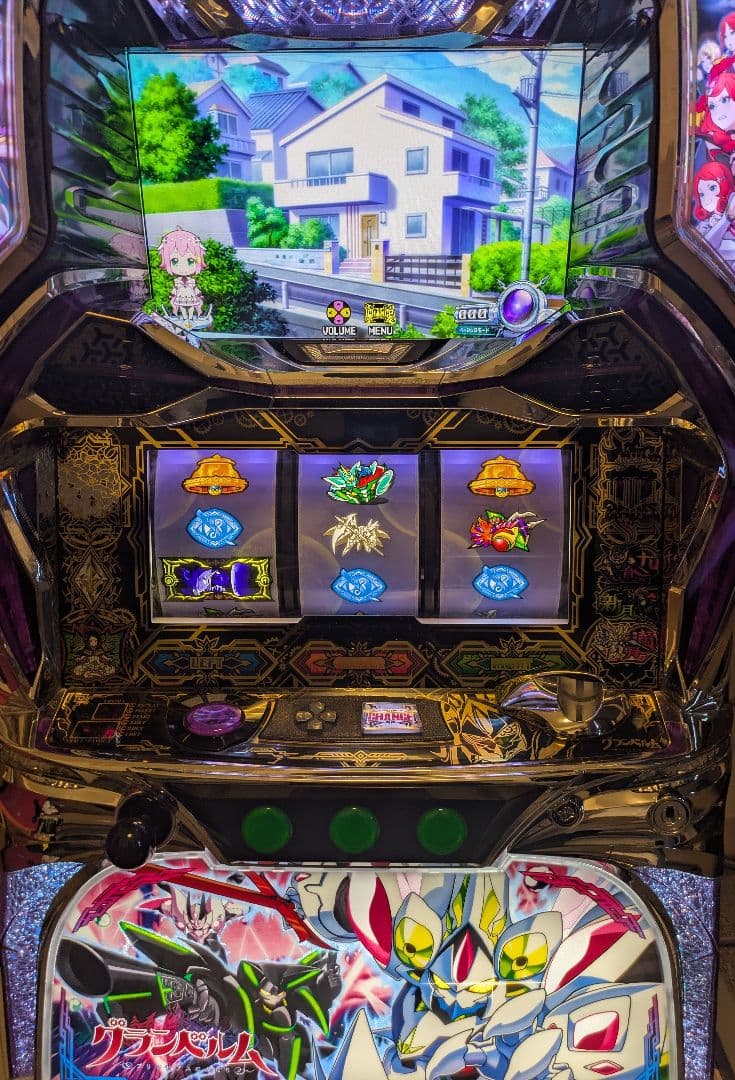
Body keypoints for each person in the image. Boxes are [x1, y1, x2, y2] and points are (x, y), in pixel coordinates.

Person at [157, 226, 207, 322]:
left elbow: (195, 288)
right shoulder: (177, 280)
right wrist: (172, 295)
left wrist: (199, 294)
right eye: (174, 261)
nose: (183, 268)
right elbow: (175, 289)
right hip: (181, 296)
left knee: (192, 307)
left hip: (190, 296)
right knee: (182, 307)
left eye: (190, 261)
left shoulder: (192, 280)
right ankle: (184, 318)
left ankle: (190, 318)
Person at [692, 160, 735, 266]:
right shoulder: (703, 226)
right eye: (702, 194)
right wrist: (726, 219)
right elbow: (706, 249)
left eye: (712, 188)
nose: (707, 199)